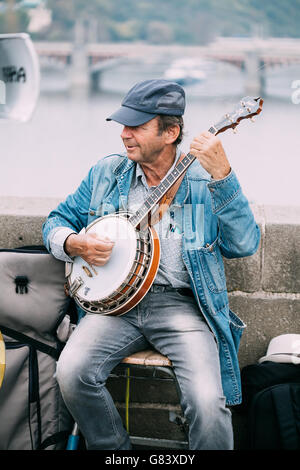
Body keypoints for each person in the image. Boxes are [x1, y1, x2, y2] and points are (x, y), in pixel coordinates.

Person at [42, 79, 260, 450]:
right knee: (71, 371)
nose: (124, 135)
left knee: (208, 404)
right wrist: (72, 242)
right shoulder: (106, 174)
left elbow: (244, 245)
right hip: (115, 308)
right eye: (123, 125)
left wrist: (223, 176)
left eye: (136, 127)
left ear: (171, 132)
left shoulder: (205, 180)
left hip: (182, 307)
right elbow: (55, 221)